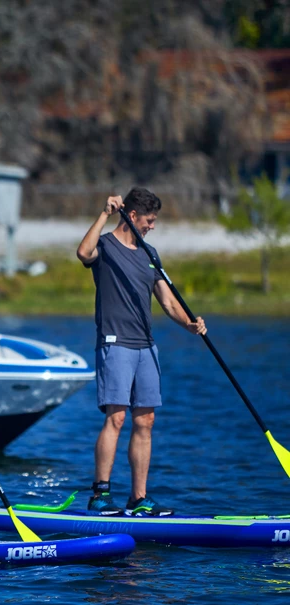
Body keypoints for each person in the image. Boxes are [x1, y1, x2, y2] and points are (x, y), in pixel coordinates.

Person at [76, 187, 207, 517]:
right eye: (149, 220)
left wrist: (189, 324)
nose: (152, 225)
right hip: (115, 343)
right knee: (116, 417)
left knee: (145, 420)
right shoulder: (105, 246)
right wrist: (104, 213)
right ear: (132, 216)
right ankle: (100, 495)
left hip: (146, 346)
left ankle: (138, 498)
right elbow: (82, 252)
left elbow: (167, 301)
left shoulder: (150, 254)